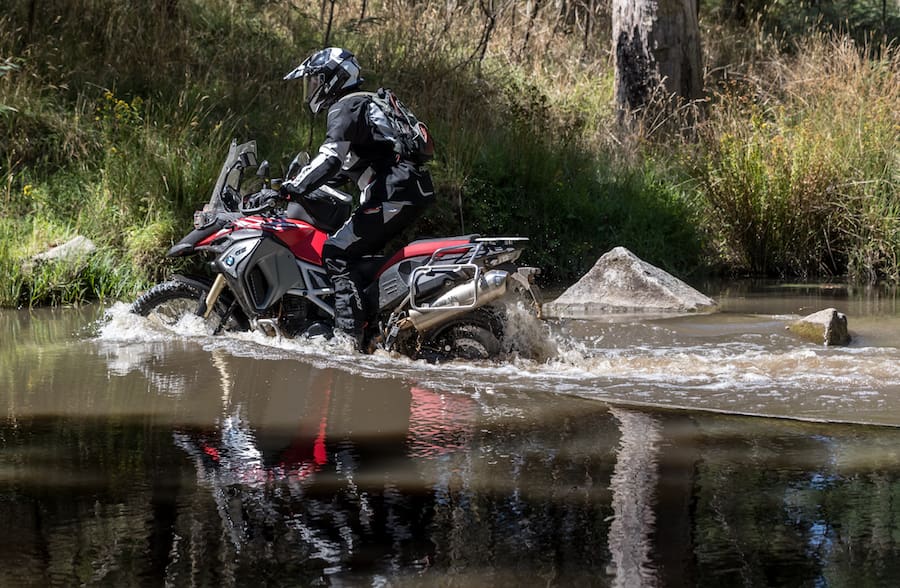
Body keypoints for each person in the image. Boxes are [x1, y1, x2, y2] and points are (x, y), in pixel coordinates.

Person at [259, 47, 435, 350]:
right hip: (404, 190)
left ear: (334, 79)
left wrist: (290, 188)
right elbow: (346, 167)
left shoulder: (345, 106)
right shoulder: (363, 104)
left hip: (393, 193)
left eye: (316, 80)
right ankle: (376, 327)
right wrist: (302, 186)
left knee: (336, 253)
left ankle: (348, 340)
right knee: (357, 255)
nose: (312, 88)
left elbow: (330, 159)